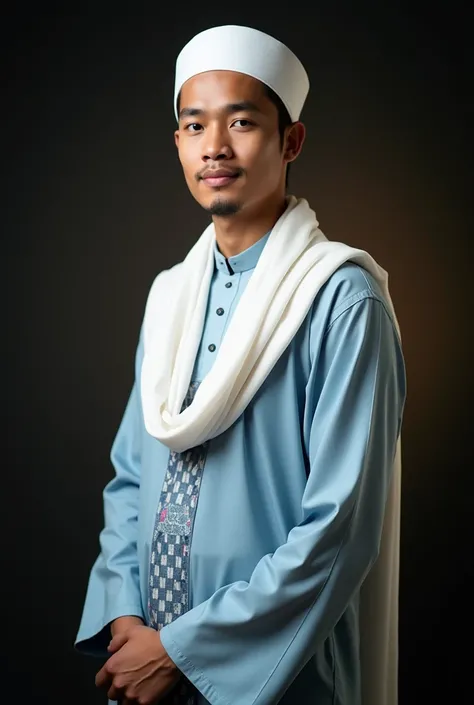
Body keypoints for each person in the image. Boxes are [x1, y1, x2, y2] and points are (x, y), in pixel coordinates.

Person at [75, 24, 406, 705]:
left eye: (242, 122)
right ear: (178, 145)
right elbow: (132, 481)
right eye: (194, 126)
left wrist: (184, 650)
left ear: (290, 142)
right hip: (144, 667)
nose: (215, 147)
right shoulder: (169, 295)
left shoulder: (341, 299)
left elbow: (338, 529)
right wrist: (125, 622)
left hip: (276, 675)